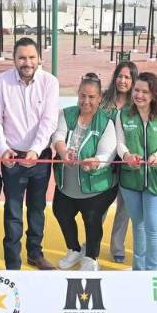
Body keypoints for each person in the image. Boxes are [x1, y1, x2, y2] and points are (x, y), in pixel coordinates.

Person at [0, 37, 60, 271]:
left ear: (39, 58)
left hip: (39, 157)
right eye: (21, 58)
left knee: (37, 208)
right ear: (14, 59)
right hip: (12, 158)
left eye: (31, 57)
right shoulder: (0, 82)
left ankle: (35, 254)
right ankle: (13, 261)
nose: (26, 62)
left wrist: (35, 150)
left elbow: (49, 121)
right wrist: (3, 148)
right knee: (13, 210)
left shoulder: (50, 82)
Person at [52, 73, 118, 271]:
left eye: (91, 97)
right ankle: (74, 249)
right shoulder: (66, 113)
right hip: (67, 184)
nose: (86, 101)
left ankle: (91, 256)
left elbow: (109, 152)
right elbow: (58, 136)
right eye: (82, 96)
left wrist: (96, 162)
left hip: (96, 186)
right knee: (61, 213)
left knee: (92, 220)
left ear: (99, 98)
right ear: (77, 95)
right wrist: (63, 152)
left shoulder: (106, 122)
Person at [114, 72, 157, 271]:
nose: (139, 95)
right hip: (131, 181)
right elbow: (120, 143)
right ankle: (139, 270)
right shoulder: (123, 114)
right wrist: (127, 156)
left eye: (144, 92)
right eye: (136, 90)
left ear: (154, 94)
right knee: (138, 226)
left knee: (154, 229)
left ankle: (155, 273)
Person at [100, 61, 138, 263]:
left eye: (127, 77)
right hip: (105, 164)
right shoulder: (103, 101)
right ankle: (92, 243)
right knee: (99, 208)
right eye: (120, 76)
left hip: (126, 164)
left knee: (124, 209)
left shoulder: (137, 105)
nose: (123, 81)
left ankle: (117, 247)